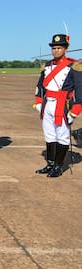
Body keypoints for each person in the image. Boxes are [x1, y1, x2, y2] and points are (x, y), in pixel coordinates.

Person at [33, 34, 82, 177]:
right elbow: (40, 86)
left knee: (62, 136)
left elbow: (80, 91)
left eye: (59, 48)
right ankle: (50, 164)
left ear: (65, 49)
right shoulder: (47, 66)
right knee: (49, 135)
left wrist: (74, 111)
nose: (56, 50)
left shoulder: (74, 66)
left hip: (63, 105)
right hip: (47, 104)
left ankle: (58, 167)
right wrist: (38, 102)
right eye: (54, 48)